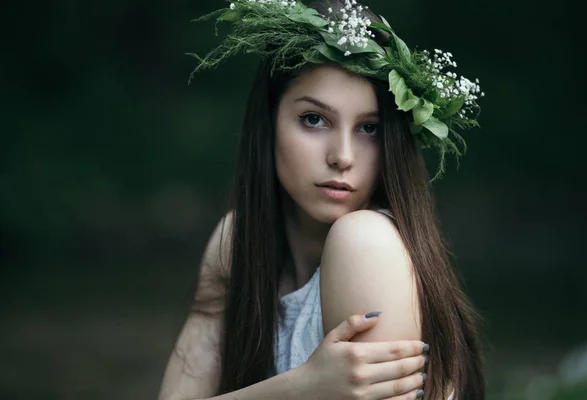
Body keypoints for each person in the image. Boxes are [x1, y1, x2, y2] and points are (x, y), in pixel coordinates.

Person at [159, 1, 486, 399]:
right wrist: (302, 387)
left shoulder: (365, 242)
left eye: (369, 128)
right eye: (314, 119)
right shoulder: (236, 241)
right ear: (270, 120)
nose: (342, 156)